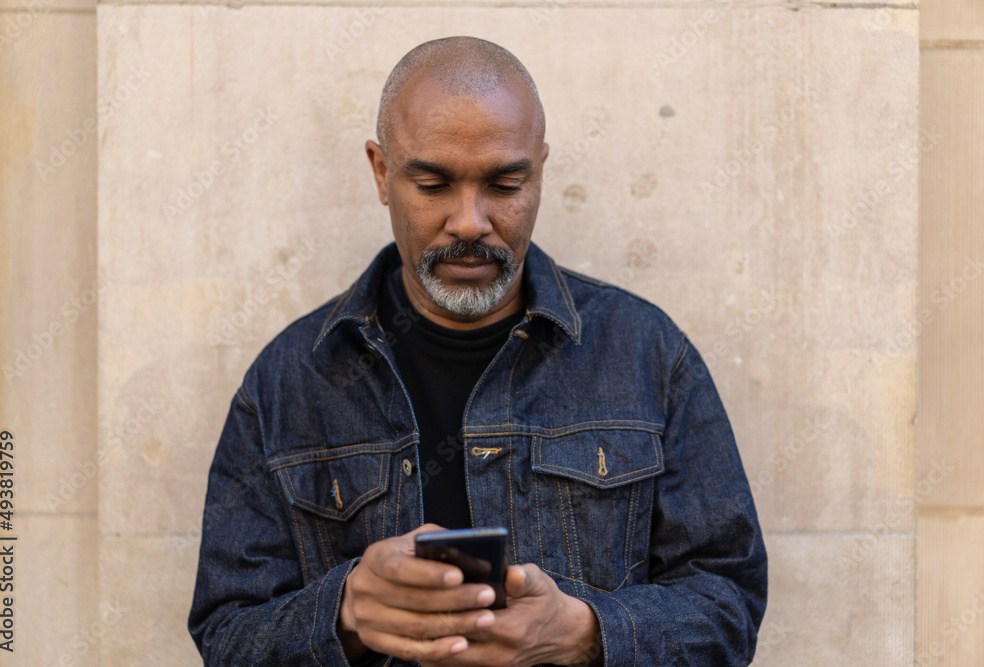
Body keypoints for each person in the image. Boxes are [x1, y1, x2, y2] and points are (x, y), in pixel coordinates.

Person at [189, 36, 766, 666]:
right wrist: (347, 611)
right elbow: (227, 634)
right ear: (382, 173)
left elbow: (728, 604)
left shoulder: (648, 353)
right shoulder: (289, 379)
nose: (469, 221)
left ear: (540, 169)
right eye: (433, 183)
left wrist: (582, 631)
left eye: (505, 182)